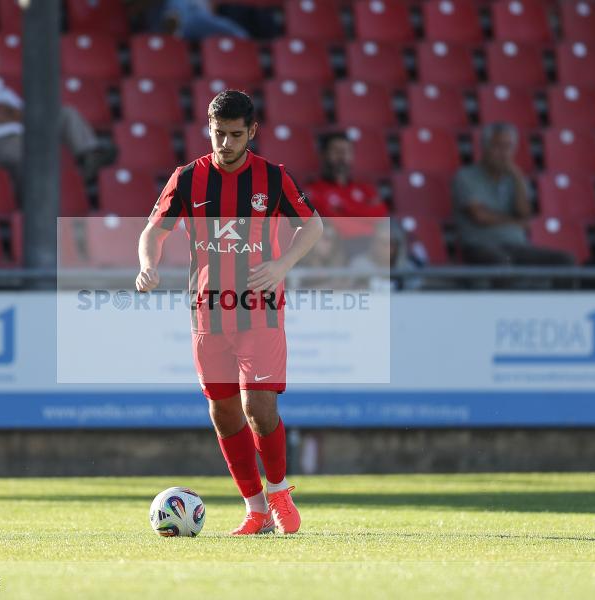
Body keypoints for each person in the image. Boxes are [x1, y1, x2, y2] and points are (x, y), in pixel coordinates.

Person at [135, 90, 323, 535]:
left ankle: (278, 491)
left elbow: (312, 225)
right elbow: (153, 231)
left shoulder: (273, 178)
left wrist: (279, 266)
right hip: (207, 312)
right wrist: (148, 264)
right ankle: (255, 509)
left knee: (259, 407)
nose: (225, 143)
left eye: (235, 134)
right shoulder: (187, 179)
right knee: (222, 412)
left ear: (251, 132)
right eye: (218, 133)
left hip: (259, 308)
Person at [0, 45, 113, 190]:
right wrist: (11, 112)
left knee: (65, 114)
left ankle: (89, 156)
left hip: (23, 138)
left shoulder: (4, 91)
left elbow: (28, 115)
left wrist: (4, 111)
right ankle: (34, 208)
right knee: (33, 155)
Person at [454, 123, 574, 267]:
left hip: (517, 246)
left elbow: (524, 214)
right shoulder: (465, 176)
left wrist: (517, 177)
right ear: (484, 148)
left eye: (508, 147)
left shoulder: (515, 178)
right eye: (497, 146)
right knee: (503, 262)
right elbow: (480, 216)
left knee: (565, 260)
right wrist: (515, 222)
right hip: (480, 245)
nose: (504, 153)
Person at [304, 132, 389, 244]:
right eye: (336, 150)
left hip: (369, 246)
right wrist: (364, 213)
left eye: (347, 151)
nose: (342, 155)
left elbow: (381, 213)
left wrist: (345, 209)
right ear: (323, 155)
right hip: (341, 248)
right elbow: (335, 224)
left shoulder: (365, 189)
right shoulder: (314, 191)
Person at [349, 219, 427, 291]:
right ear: (373, 243)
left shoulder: (407, 268)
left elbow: (416, 296)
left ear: (398, 246)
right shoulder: (359, 265)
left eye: (390, 243)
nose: (386, 248)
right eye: (382, 242)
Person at [132, 0, 249, 40]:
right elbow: (134, 9)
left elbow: (211, 9)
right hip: (162, 20)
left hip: (197, 17)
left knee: (235, 31)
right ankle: (175, 25)